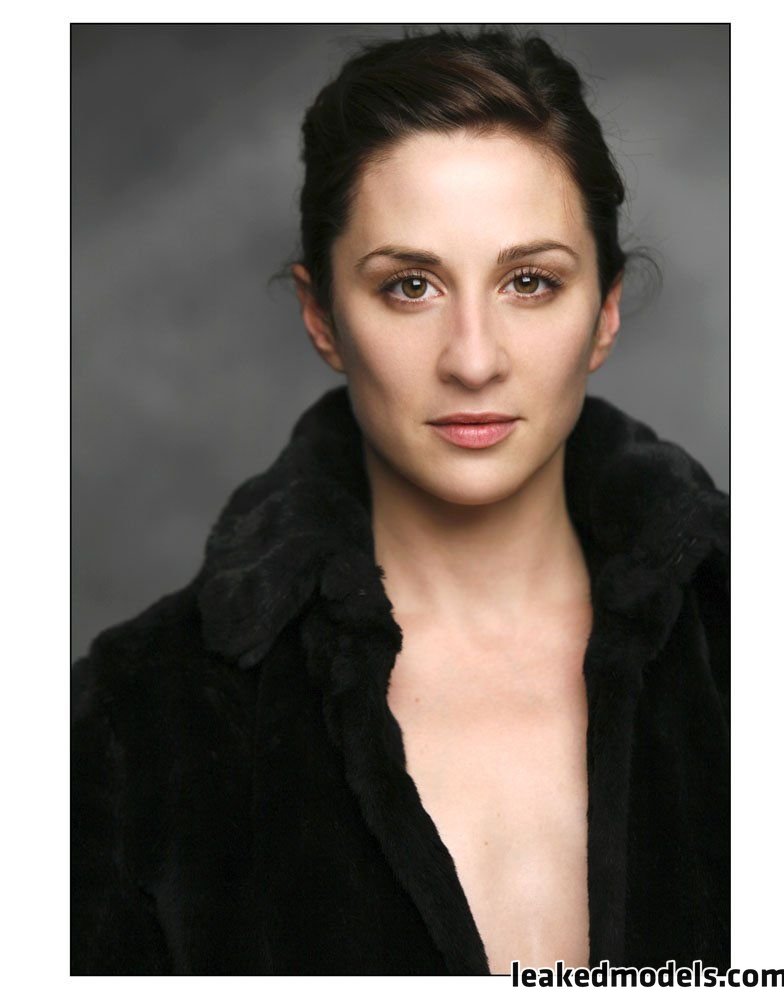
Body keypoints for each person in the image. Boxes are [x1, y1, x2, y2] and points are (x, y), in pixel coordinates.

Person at [71, 28, 729, 976]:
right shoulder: (137, 720)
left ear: (606, 312)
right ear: (323, 318)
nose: (474, 358)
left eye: (530, 282)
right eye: (410, 286)